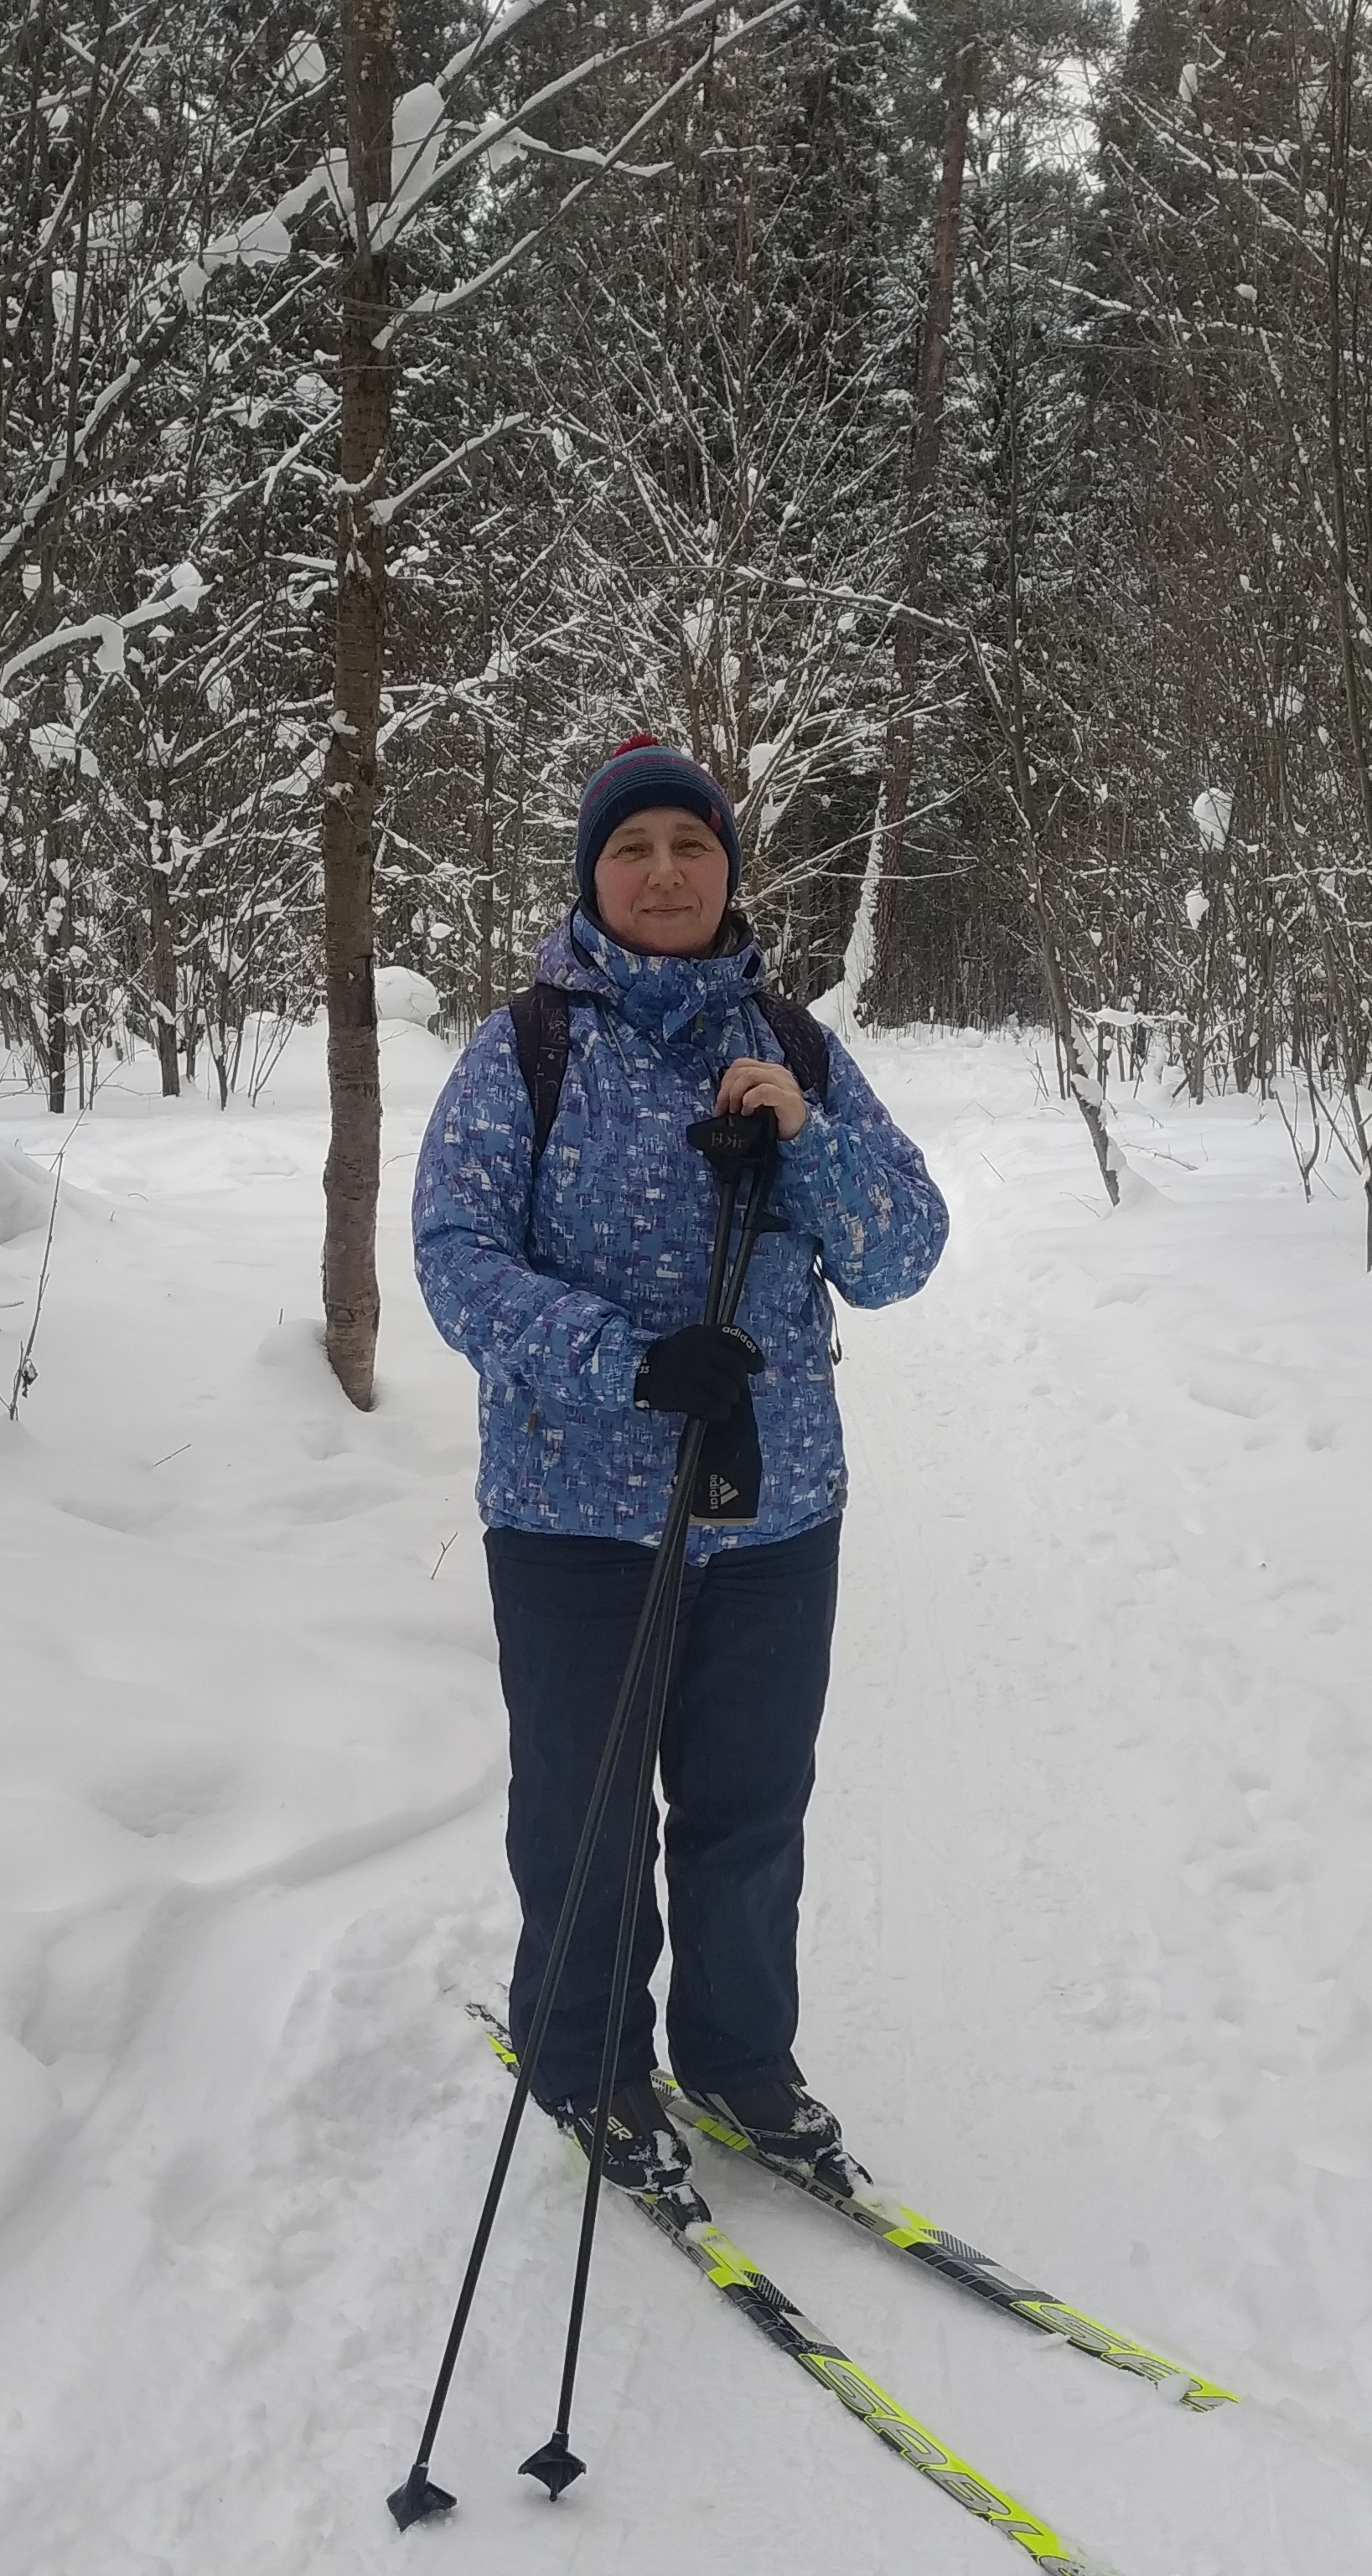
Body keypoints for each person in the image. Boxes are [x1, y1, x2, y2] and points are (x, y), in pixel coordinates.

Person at [413, 735, 948, 2197]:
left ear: (728, 867)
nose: (664, 873)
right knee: (584, 1814)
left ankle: (737, 2059)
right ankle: (588, 2063)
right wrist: (631, 1362)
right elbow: (456, 1263)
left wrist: (807, 1142)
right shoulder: (524, 1049)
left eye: (691, 846)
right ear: (592, 875)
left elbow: (903, 1253)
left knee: (750, 1809)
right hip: (574, 1518)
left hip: (772, 1513)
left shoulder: (796, 1047)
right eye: (633, 849)